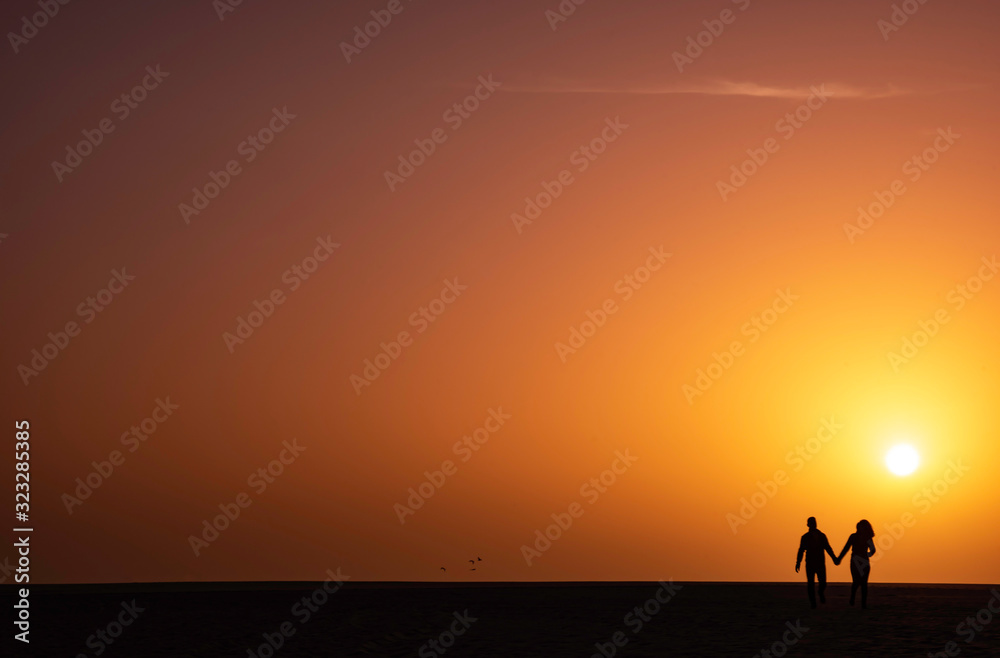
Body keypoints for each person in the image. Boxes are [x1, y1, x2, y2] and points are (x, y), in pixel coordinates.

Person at [795, 516, 837, 608]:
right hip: (810, 563)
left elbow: (827, 548)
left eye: (814, 522)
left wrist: (834, 558)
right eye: (811, 522)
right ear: (808, 524)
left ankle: (820, 592)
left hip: (820, 562)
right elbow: (801, 550)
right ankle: (813, 603)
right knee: (810, 584)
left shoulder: (822, 536)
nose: (813, 524)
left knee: (823, 582)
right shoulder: (805, 537)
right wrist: (798, 562)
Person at [836, 519, 876, 608]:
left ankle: (863, 604)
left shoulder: (868, 538)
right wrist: (839, 558)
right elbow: (846, 548)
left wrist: (868, 554)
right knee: (856, 581)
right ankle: (853, 597)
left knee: (864, 583)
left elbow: (873, 549)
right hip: (855, 561)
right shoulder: (853, 537)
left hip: (864, 562)